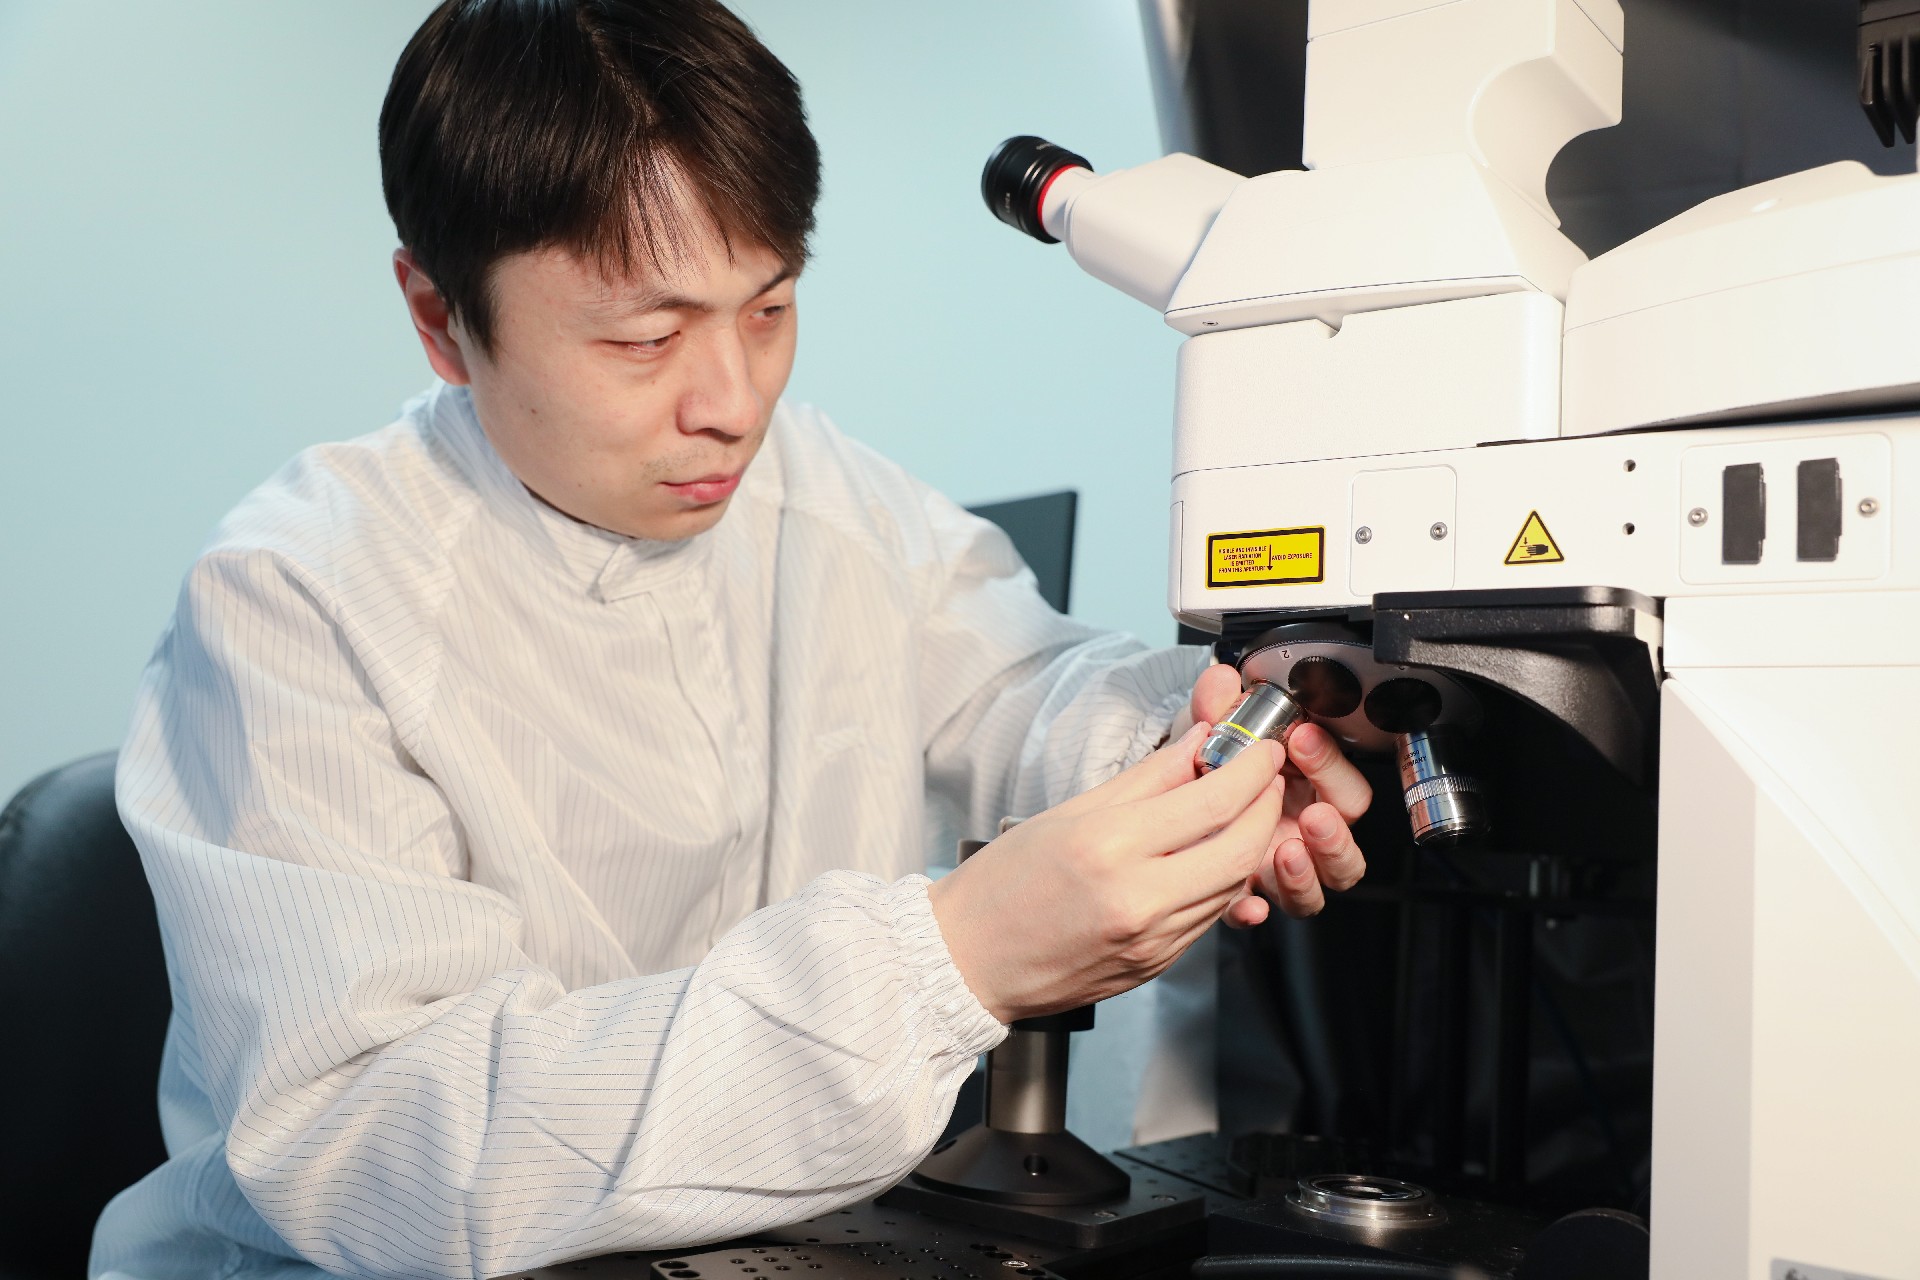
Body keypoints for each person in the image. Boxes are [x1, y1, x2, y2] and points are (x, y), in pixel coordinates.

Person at [91, 2, 1370, 1277]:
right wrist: (949, 959)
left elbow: (1025, 691)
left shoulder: (825, 494)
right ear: (439, 317)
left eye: (768, 308)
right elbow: (380, 1150)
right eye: (645, 339)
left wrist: (1221, 724)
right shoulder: (297, 598)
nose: (734, 404)